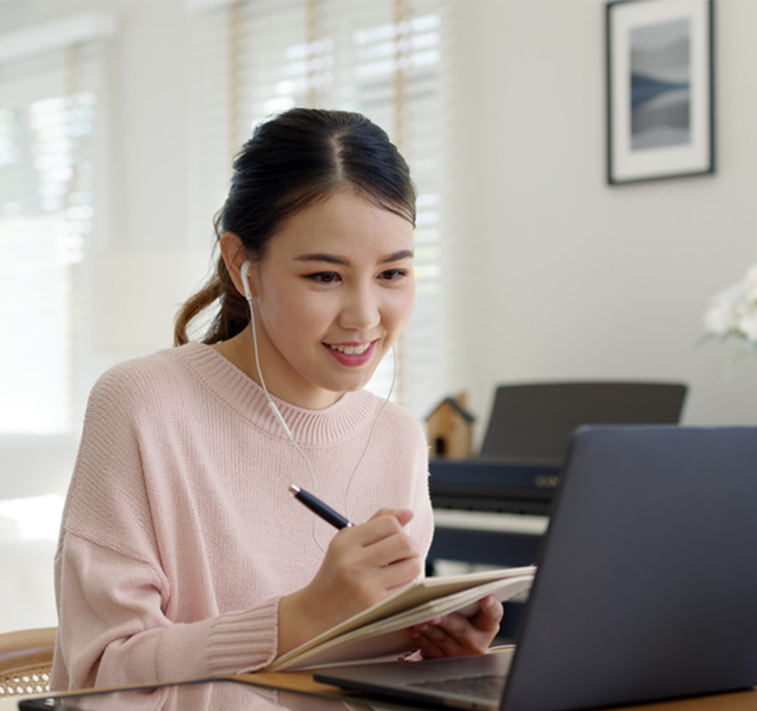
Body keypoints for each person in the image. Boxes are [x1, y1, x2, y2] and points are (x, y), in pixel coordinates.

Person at [51, 108, 503, 691]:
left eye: (392, 274)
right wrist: (298, 620)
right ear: (244, 266)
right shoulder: (143, 404)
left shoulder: (396, 436)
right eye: (324, 276)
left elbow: (356, 681)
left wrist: (437, 664)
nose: (365, 317)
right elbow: (96, 679)